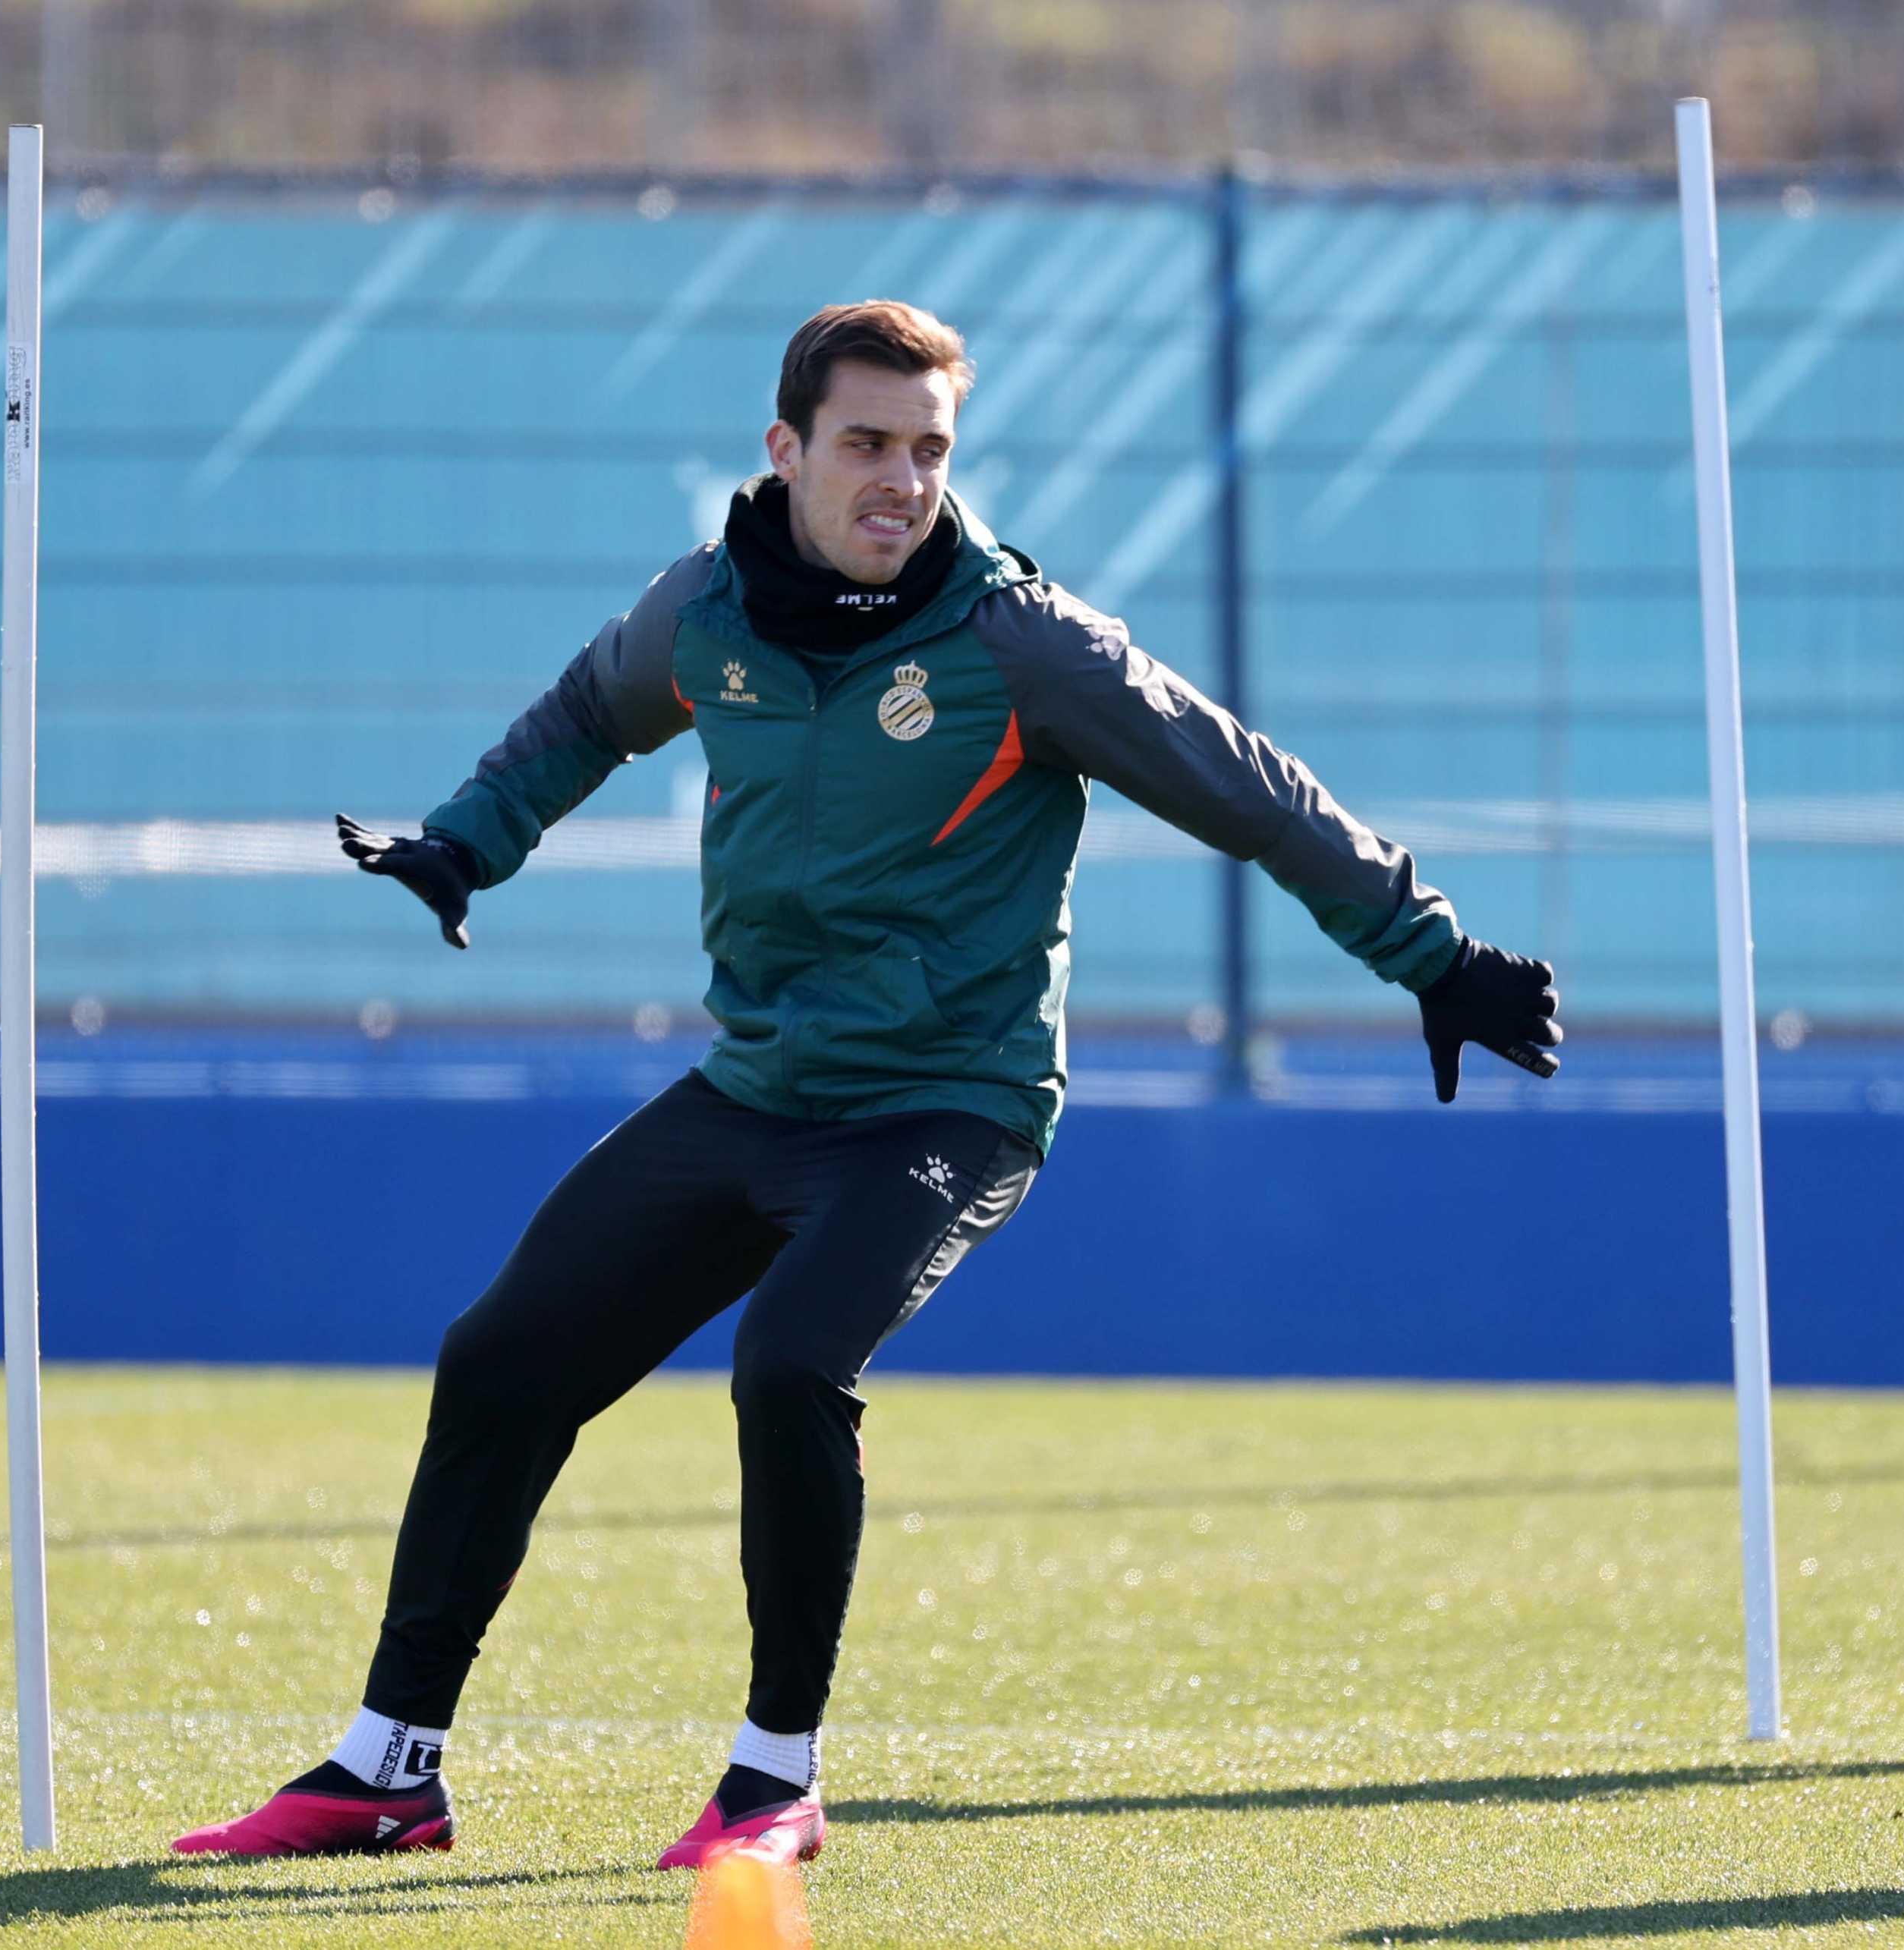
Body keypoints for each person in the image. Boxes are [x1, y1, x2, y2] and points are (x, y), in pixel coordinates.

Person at [172, 300, 1563, 1866]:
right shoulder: (704, 610)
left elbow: (1248, 786)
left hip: (948, 1104)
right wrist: (466, 840)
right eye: (867, 444)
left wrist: (1431, 952)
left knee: (788, 1365)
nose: (902, 480)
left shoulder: (1020, 643)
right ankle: (389, 1770)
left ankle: (773, 1783)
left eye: (930, 449)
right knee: (499, 1358)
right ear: (787, 449)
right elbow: (583, 716)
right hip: (758, 1089)